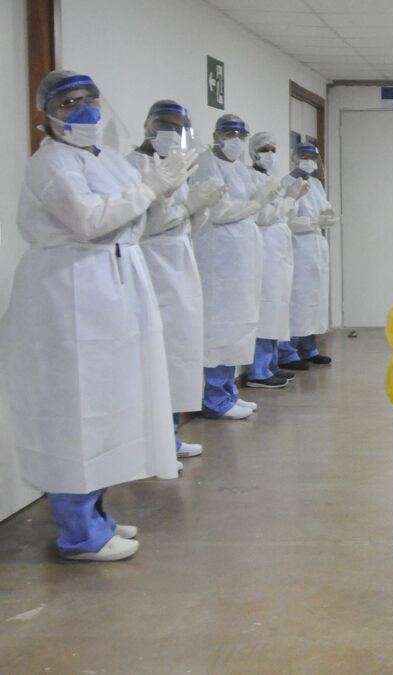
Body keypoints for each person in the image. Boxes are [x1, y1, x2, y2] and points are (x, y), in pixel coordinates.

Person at [0, 70, 192, 560]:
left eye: (89, 99)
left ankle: (96, 517)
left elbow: (138, 220)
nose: (83, 110)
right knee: (73, 410)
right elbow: (88, 221)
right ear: (46, 114)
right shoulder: (52, 164)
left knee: (106, 405)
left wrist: (163, 192)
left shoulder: (103, 158)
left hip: (110, 284)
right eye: (68, 103)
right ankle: (77, 533)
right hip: (68, 288)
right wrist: (148, 191)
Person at [128, 100, 225, 458]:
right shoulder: (134, 167)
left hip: (180, 259)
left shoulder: (176, 166)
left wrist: (200, 206)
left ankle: (168, 436)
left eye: (179, 127)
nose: (172, 133)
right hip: (153, 264)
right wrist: (187, 206)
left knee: (180, 351)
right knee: (158, 353)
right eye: (165, 125)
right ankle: (151, 442)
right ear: (148, 126)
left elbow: (185, 221)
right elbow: (142, 225)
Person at [191, 114, 277, 418]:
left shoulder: (239, 168)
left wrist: (262, 203)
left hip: (241, 257)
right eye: (230, 134)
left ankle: (228, 391)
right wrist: (255, 204)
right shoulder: (206, 164)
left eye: (242, 135)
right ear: (216, 136)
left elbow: (255, 212)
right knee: (219, 326)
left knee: (239, 324)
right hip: (218, 258)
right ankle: (215, 398)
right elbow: (217, 211)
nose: (236, 140)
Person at [246, 132, 308, 388]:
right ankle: (258, 370)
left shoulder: (270, 179)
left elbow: (281, 213)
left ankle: (271, 364)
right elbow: (265, 215)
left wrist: (291, 200)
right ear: (254, 152)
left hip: (279, 248)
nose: (270, 154)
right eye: (265, 149)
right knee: (267, 307)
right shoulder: (249, 177)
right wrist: (289, 200)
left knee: (278, 307)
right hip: (265, 249)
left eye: (273, 149)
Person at [278, 144, 337, 370]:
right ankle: (287, 351)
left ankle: (309, 348)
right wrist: (313, 222)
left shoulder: (316, 184)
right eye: (304, 157)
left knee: (315, 299)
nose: (309, 162)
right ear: (294, 159)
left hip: (316, 247)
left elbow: (325, 210)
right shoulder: (286, 185)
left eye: (313, 158)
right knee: (297, 300)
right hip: (297, 247)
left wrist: (328, 217)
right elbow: (286, 219)